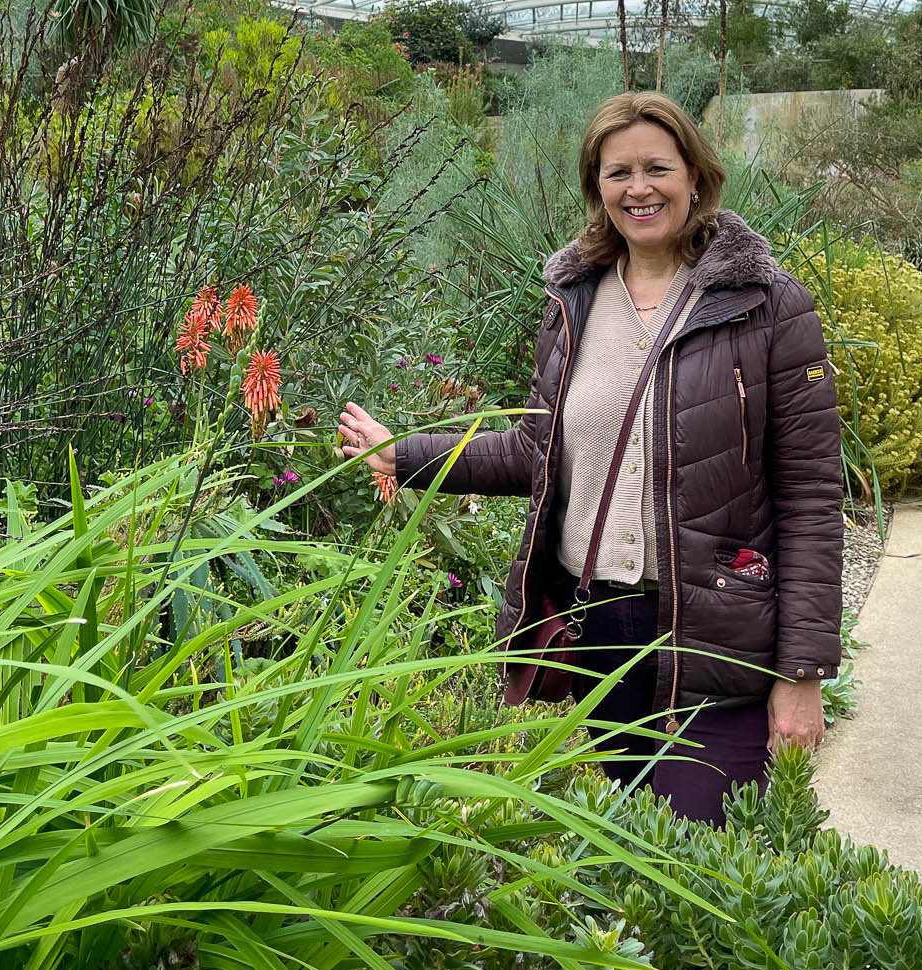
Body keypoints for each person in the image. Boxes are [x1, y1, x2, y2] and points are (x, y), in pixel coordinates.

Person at [339, 91, 844, 825]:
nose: (639, 188)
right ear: (597, 187)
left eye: (657, 168)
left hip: (718, 634)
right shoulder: (574, 300)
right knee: (636, 852)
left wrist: (801, 672)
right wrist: (405, 454)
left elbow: (809, 498)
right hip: (604, 625)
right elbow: (537, 452)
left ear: (695, 177)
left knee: (707, 858)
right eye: (618, 172)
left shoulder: (765, 304)